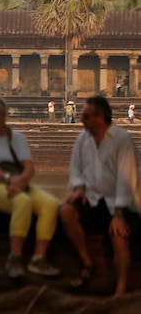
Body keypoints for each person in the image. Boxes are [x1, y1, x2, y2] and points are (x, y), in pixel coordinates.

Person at [0, 95, 61, 279]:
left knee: (50, 204)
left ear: (2, 115)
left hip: (18, 183)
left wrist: (19, 182)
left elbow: (28, 166)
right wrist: (8, 179)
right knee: (23, 202)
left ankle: (38, 258)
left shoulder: (17, 137)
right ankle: (15, 257)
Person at [59, 96, 140, 297]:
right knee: (66, 212)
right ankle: (87, 263)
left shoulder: (122, 140)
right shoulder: (83, 138)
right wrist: (78, 189)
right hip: (93, 198)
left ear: (100, 118)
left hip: (121, 203)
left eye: (86, 116)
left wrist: (119, 215)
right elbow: (75, 169)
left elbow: (127, 179)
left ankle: (120, 289)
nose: (81, 119)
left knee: (120, 237)